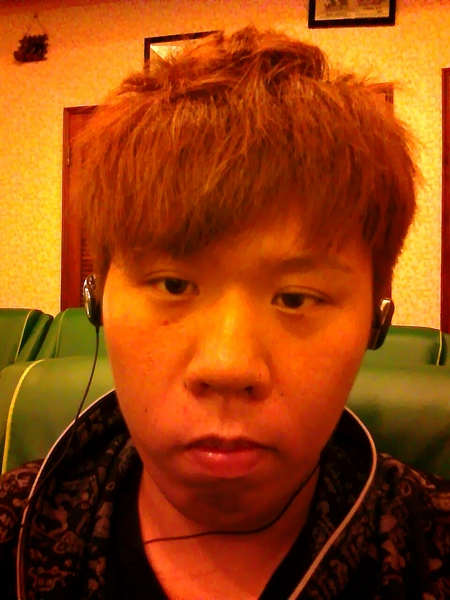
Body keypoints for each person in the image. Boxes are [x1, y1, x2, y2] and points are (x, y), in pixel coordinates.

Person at [1, 26, 449, 600]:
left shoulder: (432, 545)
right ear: (96, 302)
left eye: (295, 298)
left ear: (375, 323)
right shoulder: (11, 526)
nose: (228, 366)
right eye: (173, 284)